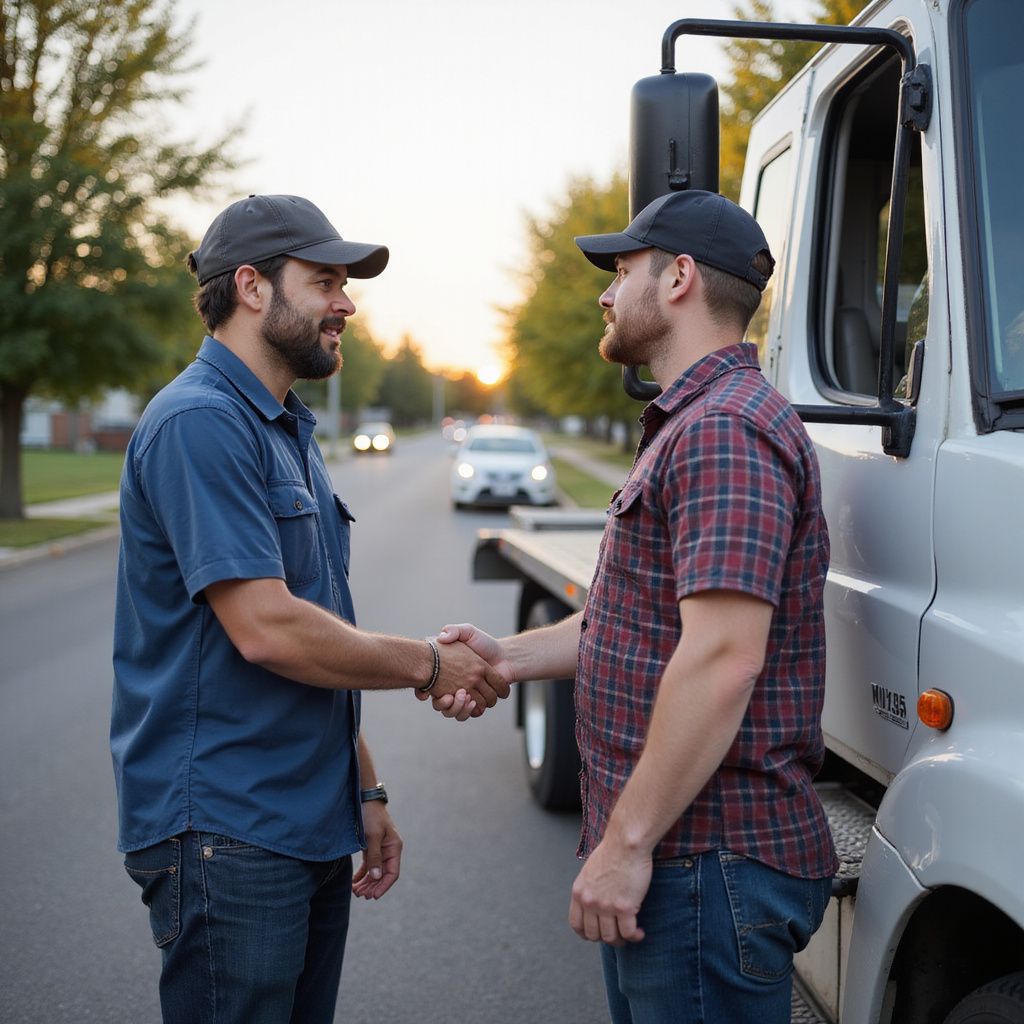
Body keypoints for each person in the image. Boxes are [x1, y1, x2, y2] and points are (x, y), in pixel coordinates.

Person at [433, 190, 838, 1023]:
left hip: (705, 866)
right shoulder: (693, 422)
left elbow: (723, 658)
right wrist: (506, 657)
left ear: (680, 277)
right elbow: (633, 625)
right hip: (690, 867)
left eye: (621, 272)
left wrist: (625, 845)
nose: (605, 294)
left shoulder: (725, 429)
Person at [111, 194, 509, 1024]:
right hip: (229, 828)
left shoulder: (283, 427)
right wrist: (433, 665)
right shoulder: (200, 424)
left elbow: (316, 628)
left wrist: (363, 788)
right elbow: (267, 629)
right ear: (251, 287)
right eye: (325, 281)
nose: (346, 304)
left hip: (301, 817)